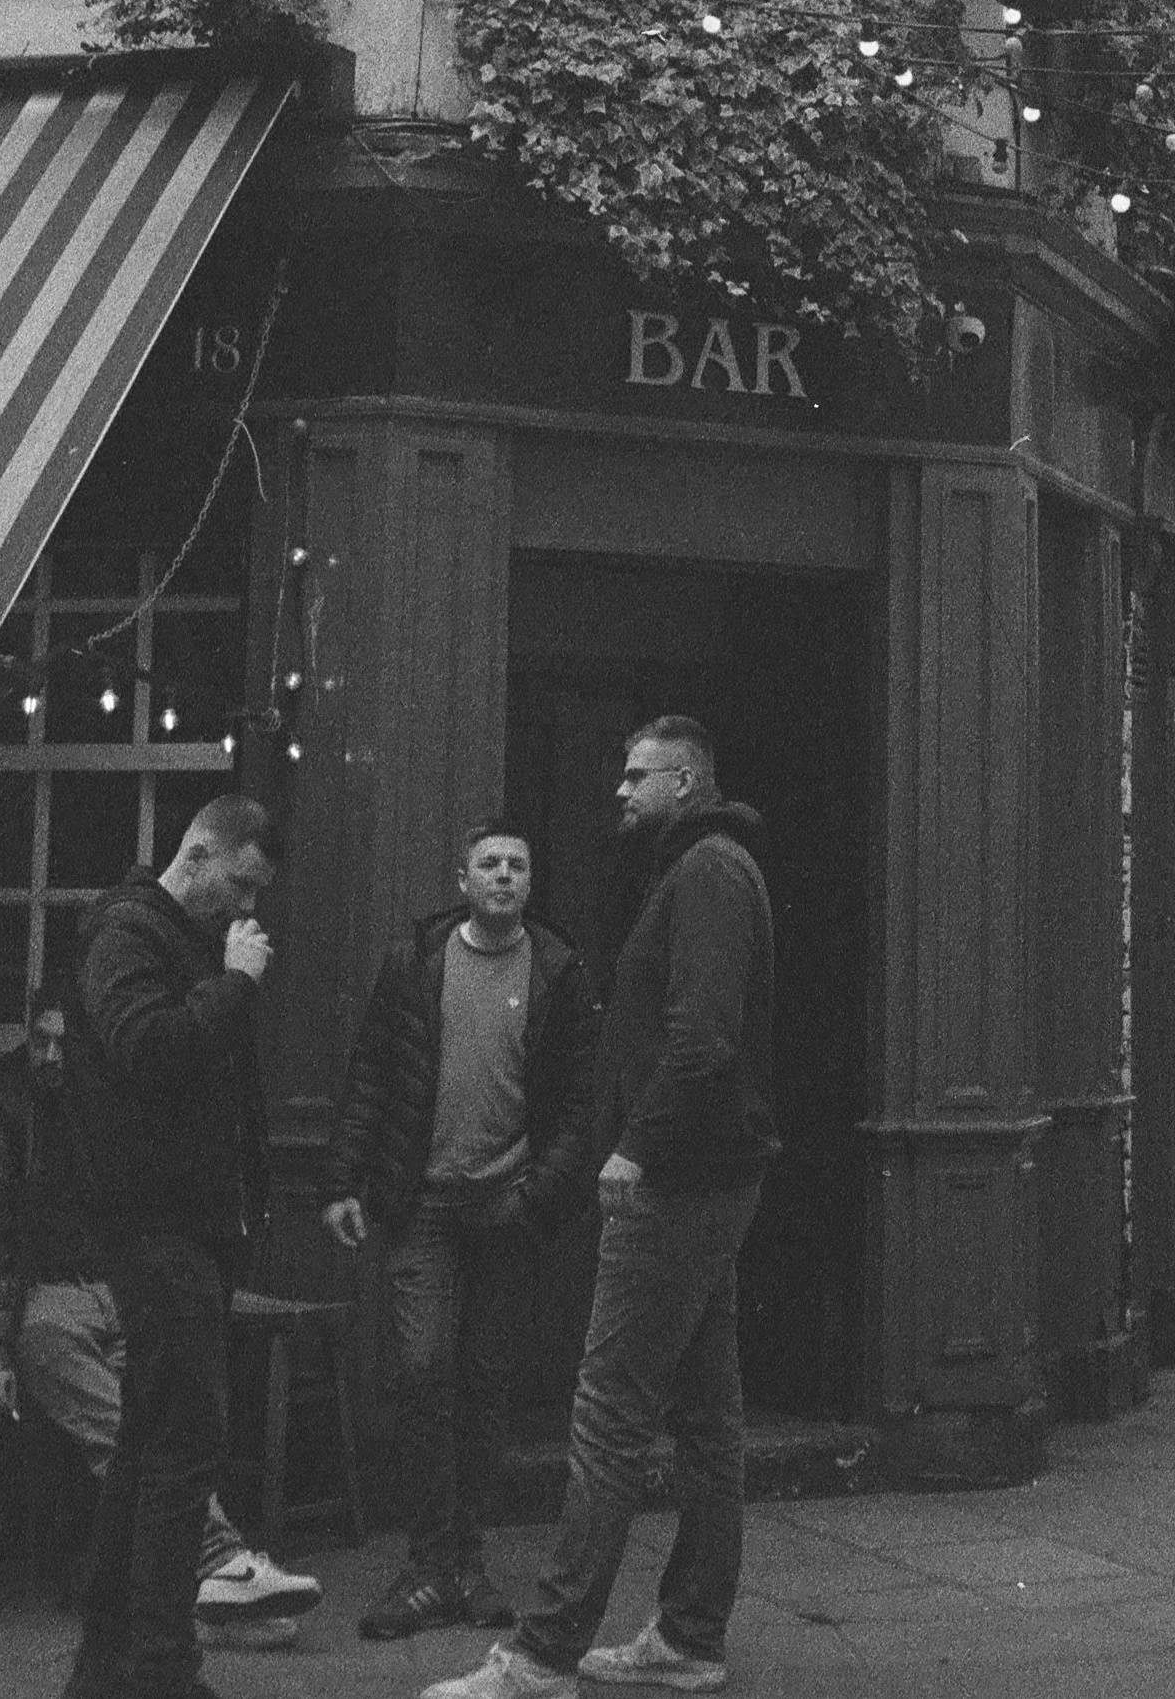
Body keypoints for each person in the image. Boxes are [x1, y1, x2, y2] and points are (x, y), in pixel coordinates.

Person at [425, 716, 777, 1699]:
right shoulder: (702, 868)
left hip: (679, 1180)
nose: (618, 791)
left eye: (635, 775)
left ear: (685, 780)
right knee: (707, 1414)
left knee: (608, 1411)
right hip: (713, 1173)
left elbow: (701, 1038)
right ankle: (691, 1636)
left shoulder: (705, 871)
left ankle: (540, 1655)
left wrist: (632, 1145)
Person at [0, 986, 320, 1642]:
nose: (52, 1055)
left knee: (165, 1408)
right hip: (44, 1297)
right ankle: (219, 1559)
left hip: (124, 1289)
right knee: (110, 1412)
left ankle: (194, 1600)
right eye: (40, 1041)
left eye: (65, 1041)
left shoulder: (109, 1103)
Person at [322, 818, 598, 1641]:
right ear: (463, 879)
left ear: (529, 883)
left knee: (484, 1386)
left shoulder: (557, 969)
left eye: (518, 864)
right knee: (420, 1370)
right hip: (424, 1203)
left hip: (506, 1205)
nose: (505, 876)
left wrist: (536, 1194)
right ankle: (426, 1563)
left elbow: (582, 1105)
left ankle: (466, 1563)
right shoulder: (415, 963)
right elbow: (372, 1069)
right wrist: (342, 1180)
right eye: (490, 864)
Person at [61, 794, 281, 1699]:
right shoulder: (126, 933)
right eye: (238, 884)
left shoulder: (175, 939)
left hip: (182, 1229)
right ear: (196, 853)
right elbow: (147, 1050)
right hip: (155, 1230)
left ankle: (109, 1667)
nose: (246, 910)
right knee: (185, 1445)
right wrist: (233, 986)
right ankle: (159, 1669)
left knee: (152, 1445)